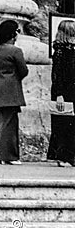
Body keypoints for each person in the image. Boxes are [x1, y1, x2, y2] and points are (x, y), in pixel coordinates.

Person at [0, 19, 28, 165]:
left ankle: (3, 155)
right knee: (11, 123)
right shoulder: (16, 50)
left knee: (4, 122)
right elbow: (23, 70)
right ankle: (10, 156)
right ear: (13, 34)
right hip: (12, 88)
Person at [47, 20, 75, 167]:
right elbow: (57, 75)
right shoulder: (61, 51)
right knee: (64, 124)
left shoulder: (68, 50)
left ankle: (66, 154)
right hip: (64, 92)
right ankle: (64, 155)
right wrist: (59, 94)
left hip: (70, 90)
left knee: (68, 123)